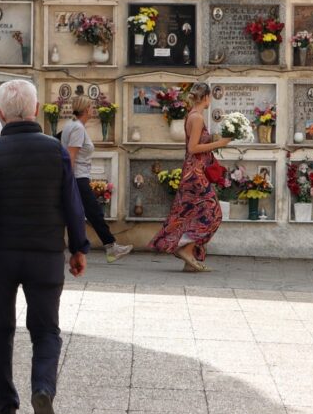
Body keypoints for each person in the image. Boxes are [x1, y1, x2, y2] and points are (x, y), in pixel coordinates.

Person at [0, 79, 89, 414]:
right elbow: (72, 202)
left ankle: (5, 408)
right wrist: (78, 247)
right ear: (34, 109)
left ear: (1, 112)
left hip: (0, 254)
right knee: (46, 329)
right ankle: (42, 391)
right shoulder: (56, 150)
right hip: (45, 253)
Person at [148, 83, 232, 272]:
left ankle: (190, 261)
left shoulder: (194, 115)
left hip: (194, 172)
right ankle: (186, 249)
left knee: (192, 214)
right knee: (214, 213)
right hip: (195, 174)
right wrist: (221, 143)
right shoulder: (197, 118)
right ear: (207, 97)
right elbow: (193, 148)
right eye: (211, 97)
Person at [60, 95, 133, 264]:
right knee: (93, 213)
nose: (93, 110)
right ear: (86, 110)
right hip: (77, 178)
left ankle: (88, 248)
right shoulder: (77, 128)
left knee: (78, 214)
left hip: (77, 177)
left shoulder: (71, 125)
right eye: (92, 107)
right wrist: (69, 181)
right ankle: (110, 247)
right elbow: (70, 156)